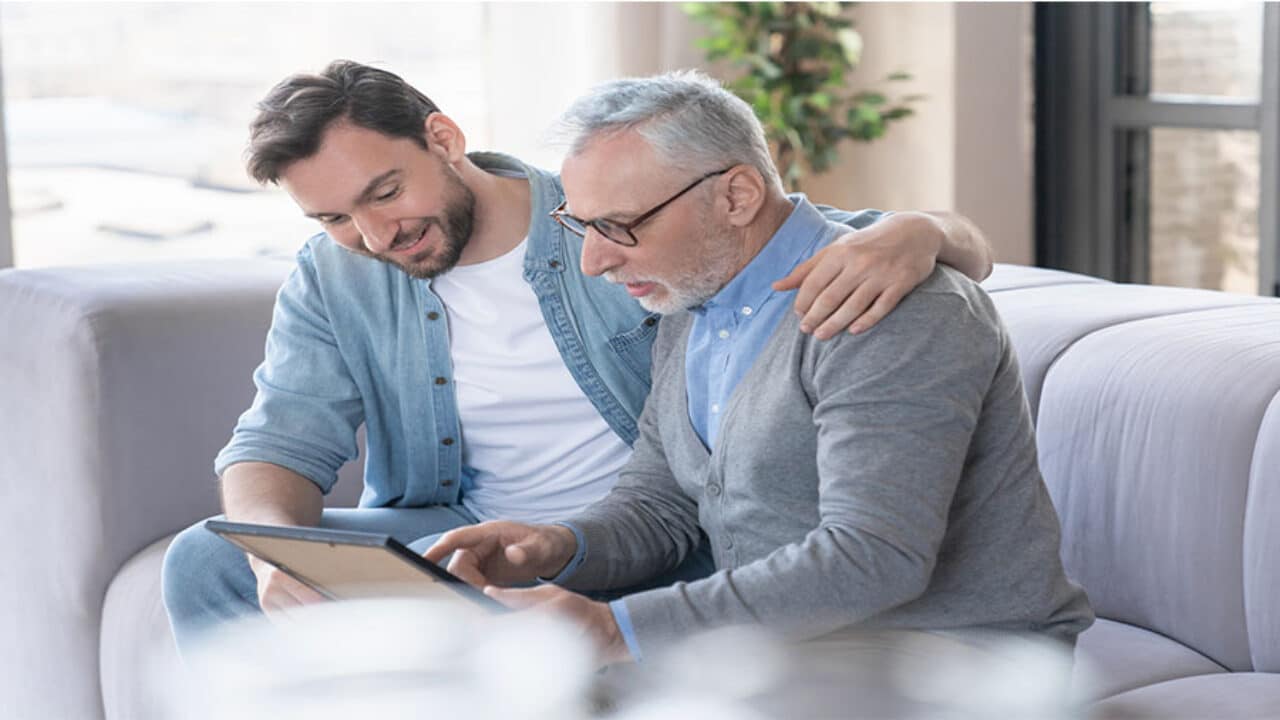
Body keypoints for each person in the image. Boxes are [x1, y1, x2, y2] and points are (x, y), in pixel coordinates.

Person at [161, 60, 995, 653]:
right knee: (209, 558)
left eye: (384, 193)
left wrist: (928, 231)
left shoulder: (621, 218)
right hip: (492, 537)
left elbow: (791, 231)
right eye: (336, 219)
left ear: (442, 138)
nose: (375, 235)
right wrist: (277, 559)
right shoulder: (343, 270)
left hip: (668, 553)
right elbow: (276, 441)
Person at [425, 71, 1093, 666]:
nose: (594, 262)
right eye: (582, 226)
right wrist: (555, 545)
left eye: (621, 227)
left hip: (955, 664)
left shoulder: (889, 308)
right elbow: (662, 506)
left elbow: (876, 557)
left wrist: (616, 627)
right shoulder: (690, 298)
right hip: (793, 652)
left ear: (737, 195)